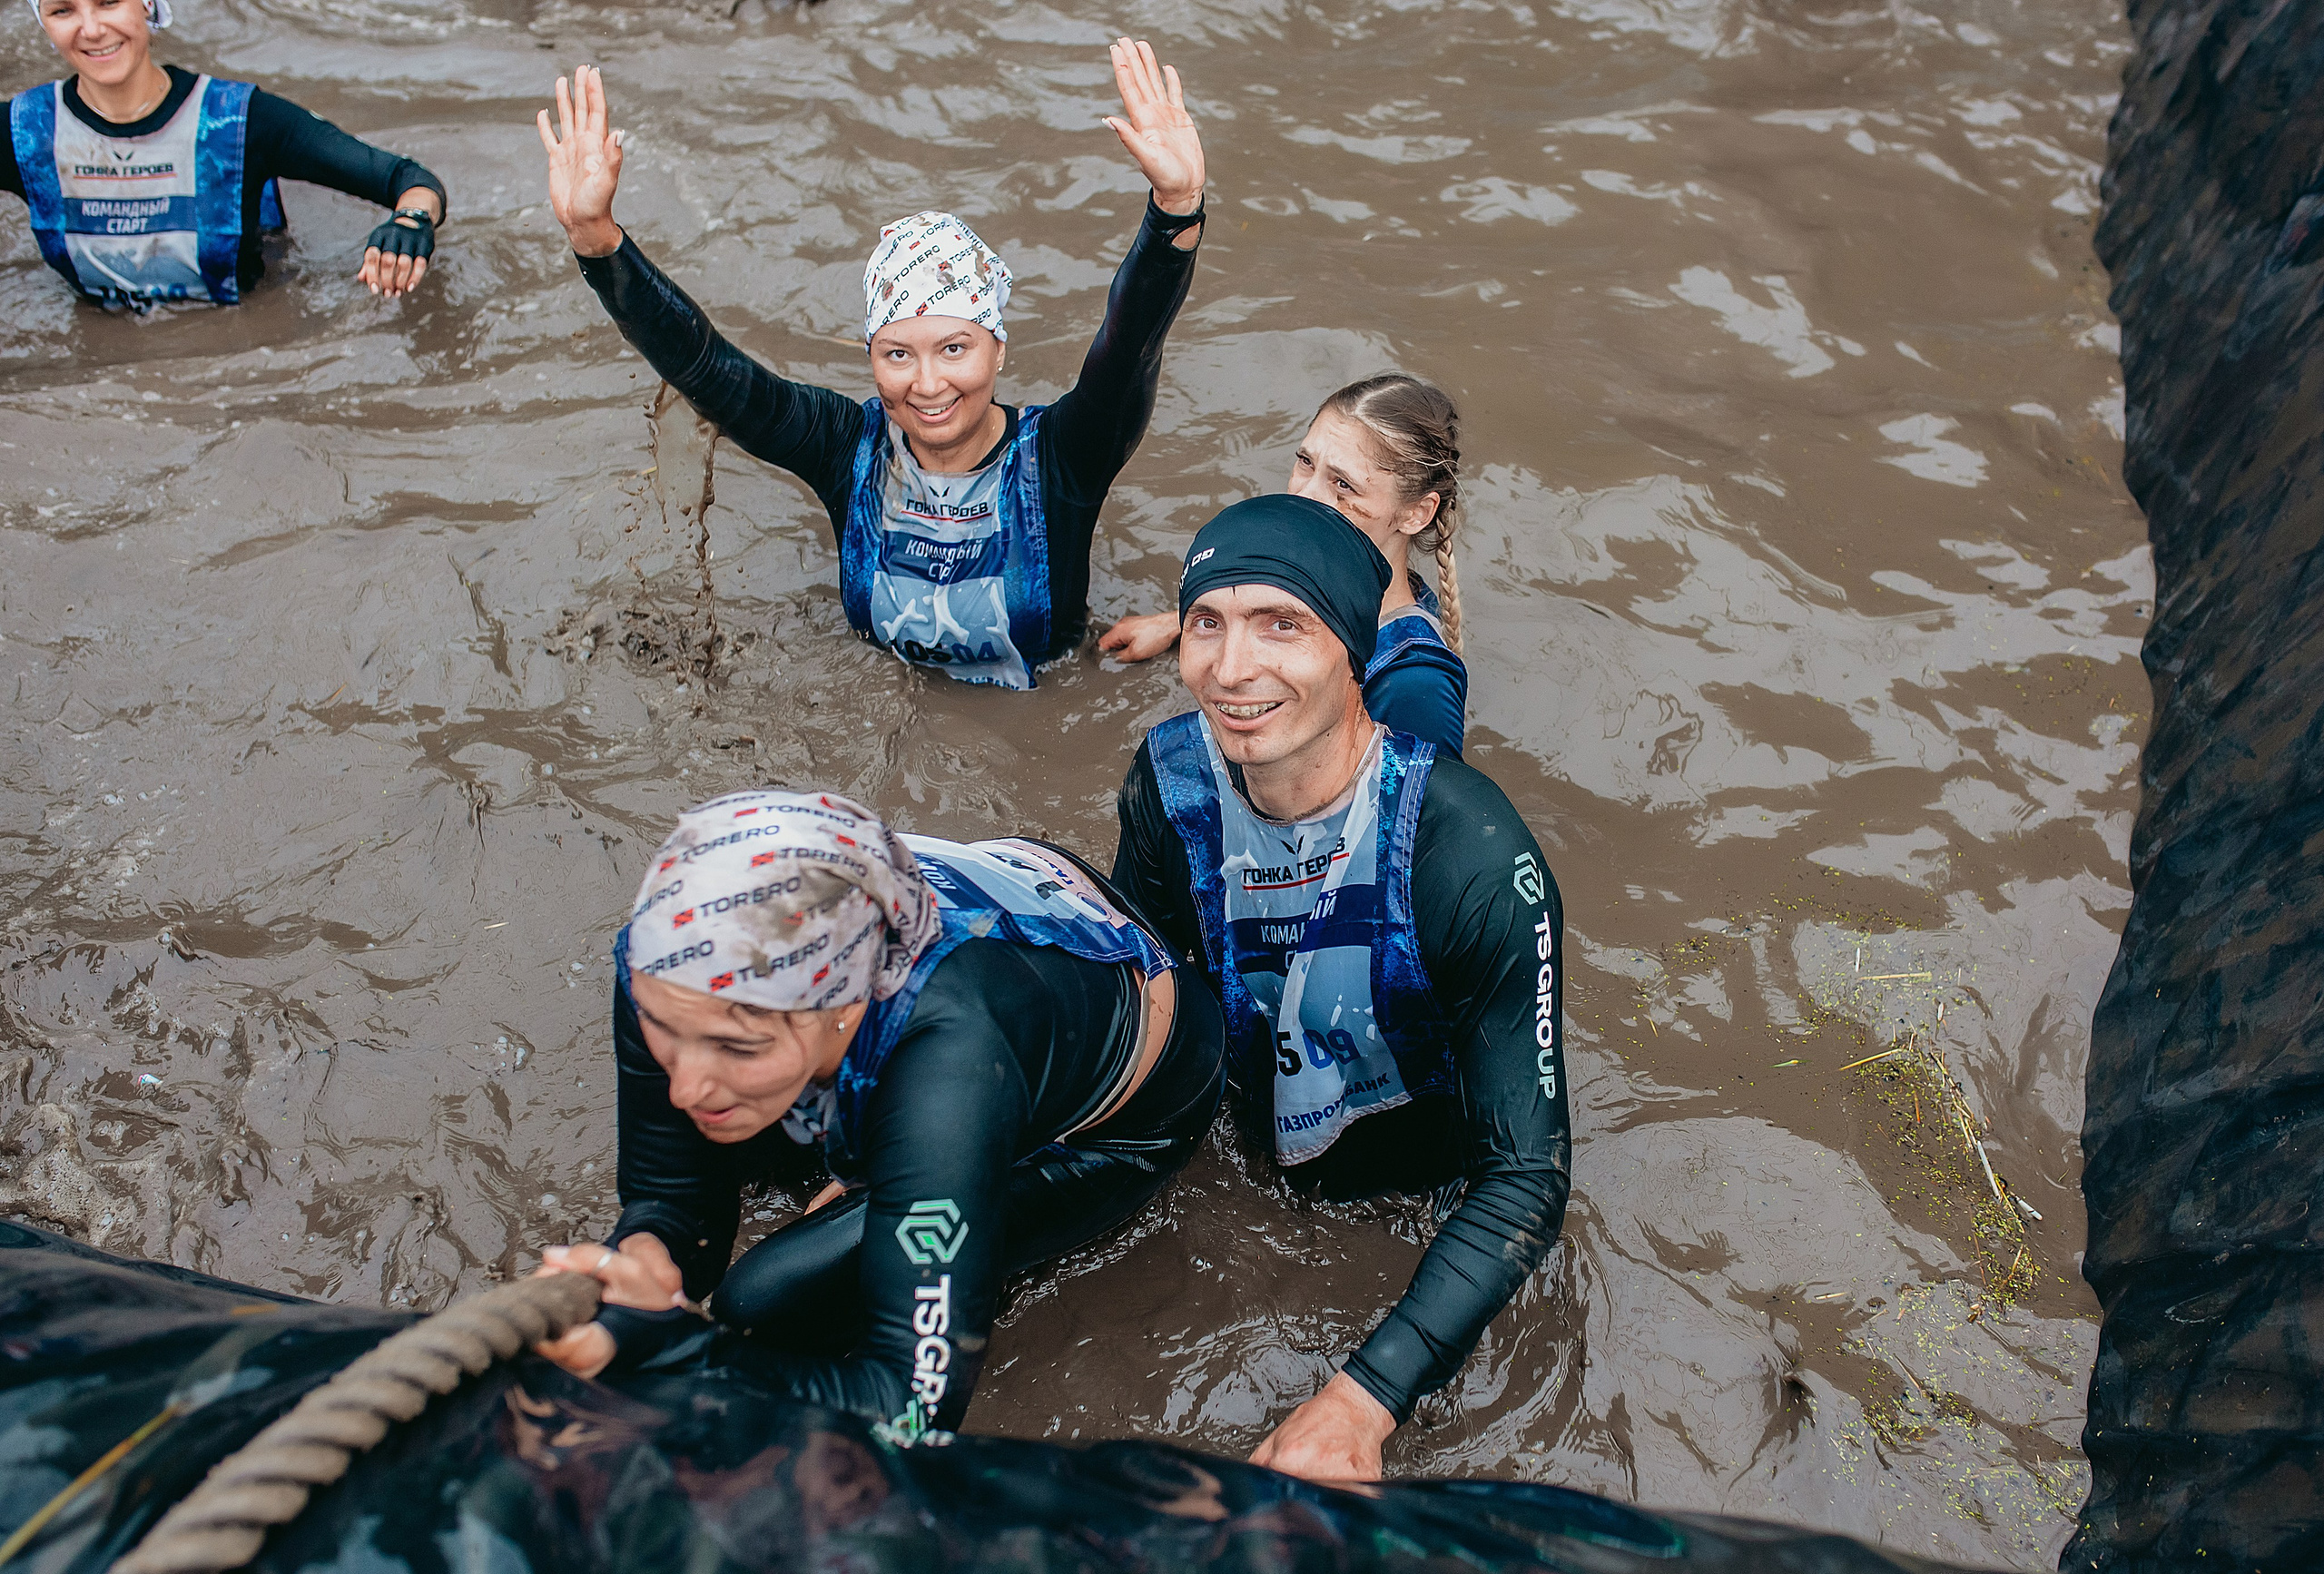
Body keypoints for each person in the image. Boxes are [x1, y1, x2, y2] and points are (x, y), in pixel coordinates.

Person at [1108, 495, 1571, 1483]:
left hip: (1420, 1190)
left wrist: (1365, 1400)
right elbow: (1148, 1001)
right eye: (1207, 624)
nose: (1232, 671)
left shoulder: (1473, 855)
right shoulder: (1168, 784)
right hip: (1243, 1148)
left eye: (1283, 625)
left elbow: (1524, 1175)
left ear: (1353, 652)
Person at [529, 789, 1226, 1442]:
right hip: (1032, 911)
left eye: (736, 1047)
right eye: (663, 1030)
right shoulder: (670, 959)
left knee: (763, 1302)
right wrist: (634, 1269)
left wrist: (685, 1357)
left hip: (1127, 1099)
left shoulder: (946, 1069)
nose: (683, 1087)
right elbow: (674, 1203)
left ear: (845, 1004)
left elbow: (913, 1414)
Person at [536, 44, 1206, 691]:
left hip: (1045, 714)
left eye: (954, 348)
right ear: (871, 359)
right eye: (898, 355)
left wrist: (1174, 211)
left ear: (997, 347)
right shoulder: (846, 450)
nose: (928, 384)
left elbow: (1131, 344)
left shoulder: (1062, 457)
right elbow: (710, 370)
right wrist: (599, 243)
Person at [1099, 375, 1471, 756]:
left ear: (1415, 514)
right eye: (1306, 462)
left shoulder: (1413, 683)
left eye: (1343, 484)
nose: (1305, 497)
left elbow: (1407, 811)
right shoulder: (1350, 581)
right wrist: (1177, 623)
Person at [4, 0, 446, 305]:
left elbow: (408, 180)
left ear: (147, 6)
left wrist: (412, 221)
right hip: (99, 388)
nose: (92, 29)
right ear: (44, 22)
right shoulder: (24, 131)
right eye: (63, 10)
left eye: (109, 2)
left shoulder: (240, 119)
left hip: (245, 352)